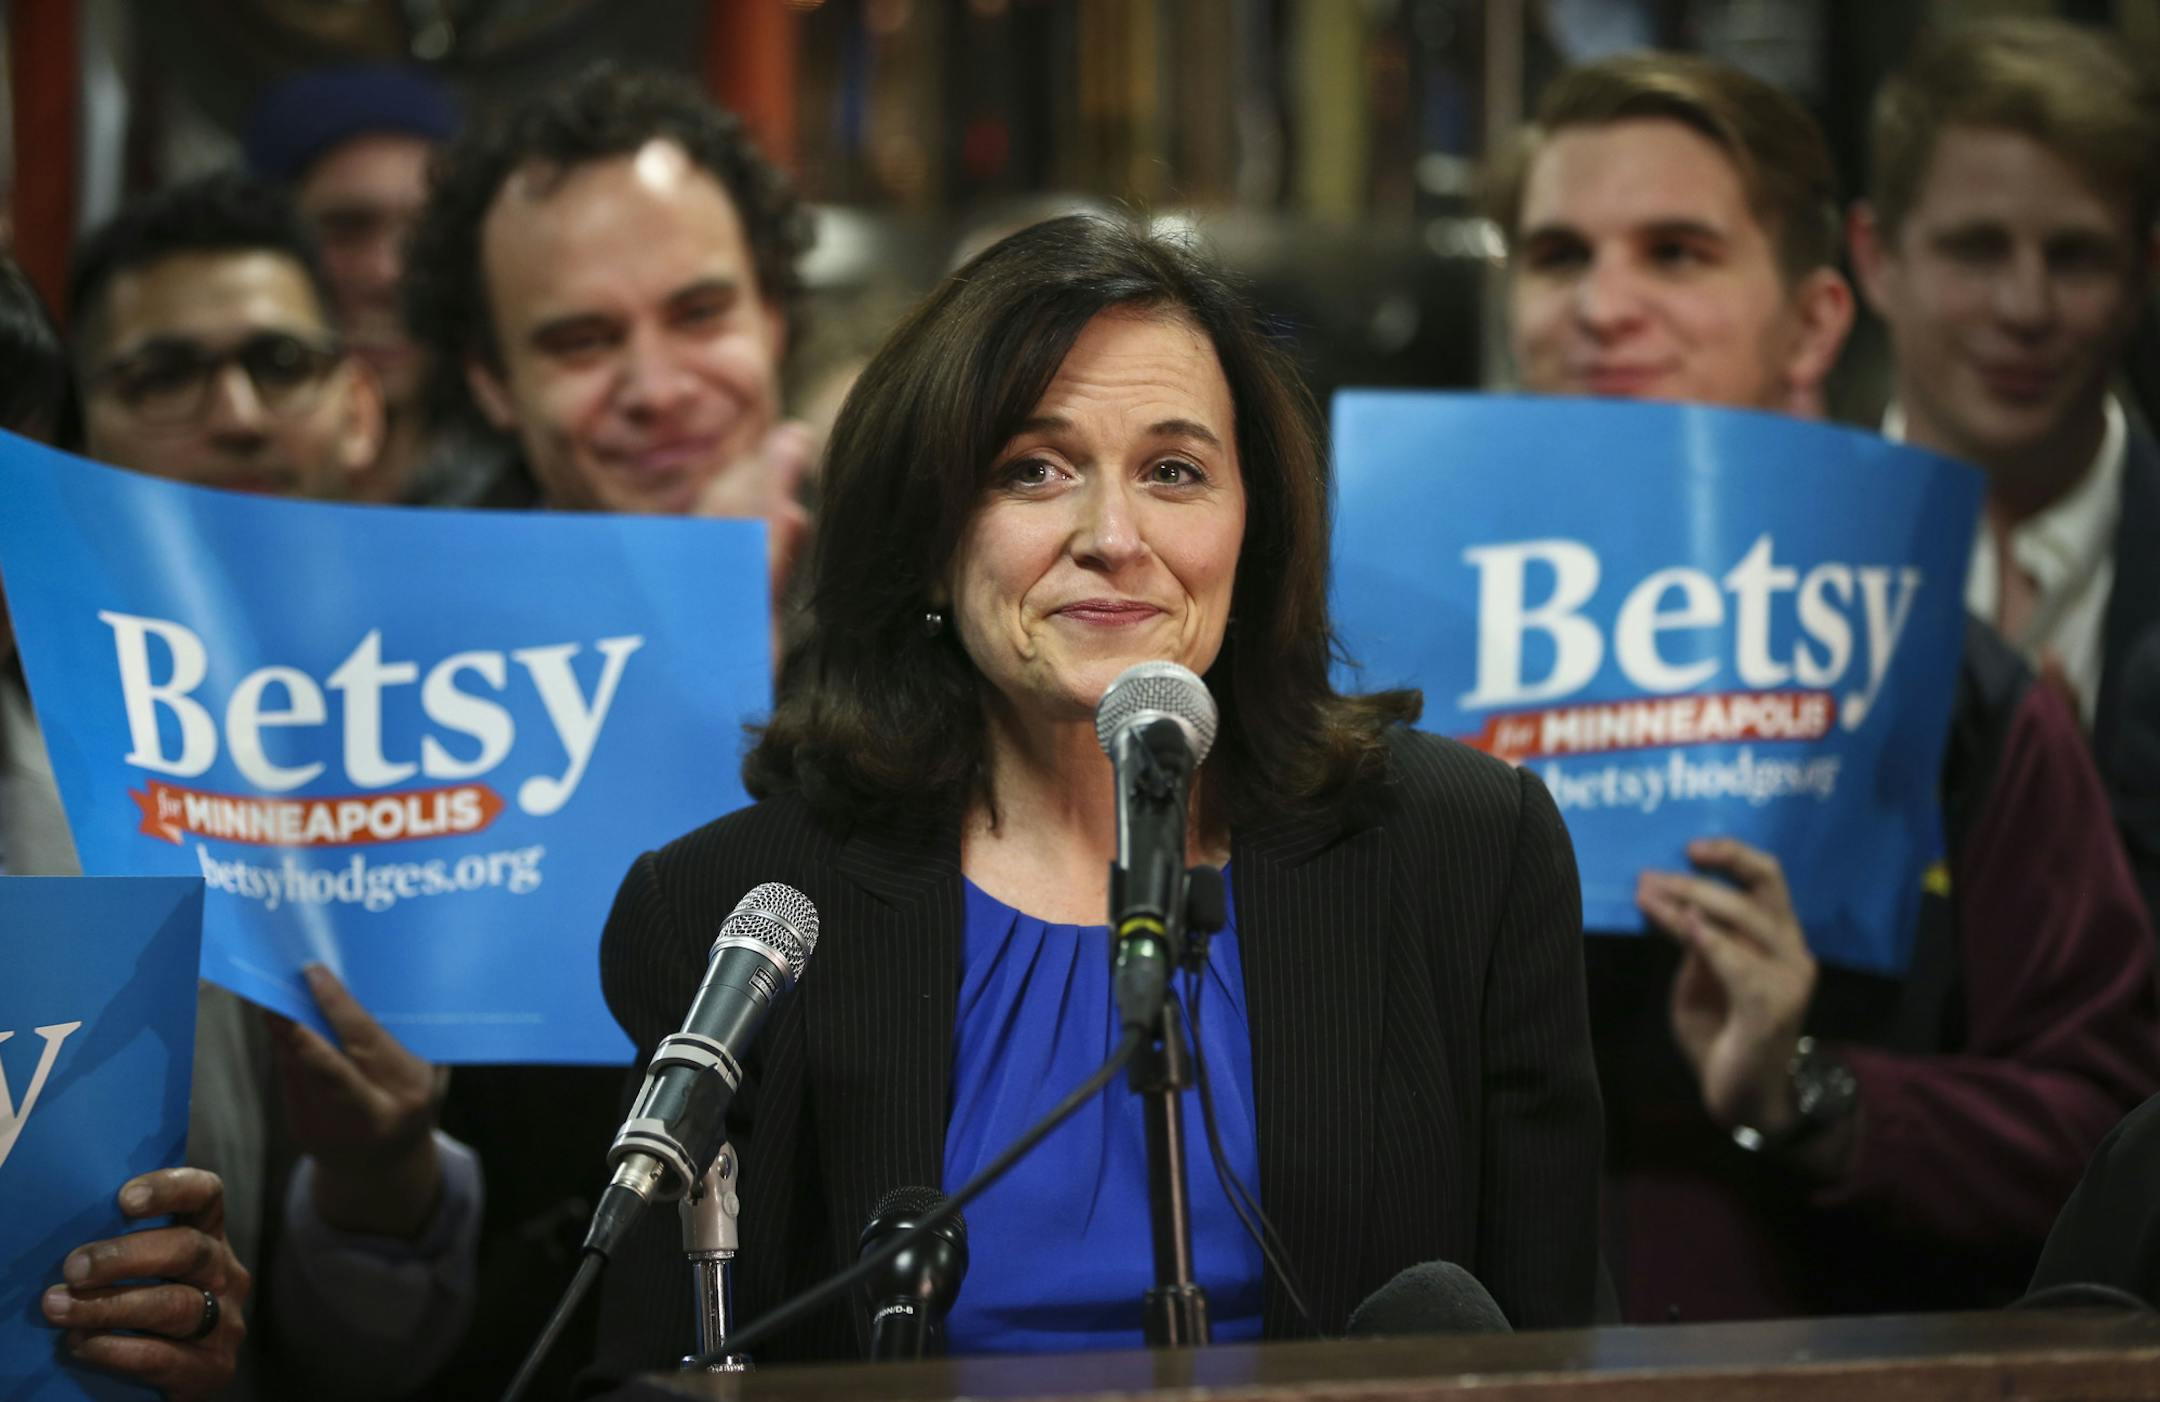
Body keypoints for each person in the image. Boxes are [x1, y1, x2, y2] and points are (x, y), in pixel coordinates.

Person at [588, 214, 1604, 1374]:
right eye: (1034, 469)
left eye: (1174, 471)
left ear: (1252, 527)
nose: (1112, 537)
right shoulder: (732, 906)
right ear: (930, 535)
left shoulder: (1464, 851)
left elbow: (1573, 1350)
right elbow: (651, 1368)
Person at [1487, 50, 2160, 1320]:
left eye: (1676, 252)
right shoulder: (1359, 667)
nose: (1601, 305)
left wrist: (1808, 1092)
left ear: (1816, 320)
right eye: (1559, 254)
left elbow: (2112, 1123)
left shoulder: (1956, 685)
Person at [395, 65, 825, 1394]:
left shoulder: (941, 580)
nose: (656, 384)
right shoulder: (401, 661)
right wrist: (683, 639)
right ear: (490, 381)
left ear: (776, 314)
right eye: (582, 341)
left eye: (700, 312)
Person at [40, 185, 479, 1399]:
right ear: (78, 435)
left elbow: (379, 1364)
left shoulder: (485, 723)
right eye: (164, 374)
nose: (235, 416)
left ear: (357, 403)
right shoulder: (43, 747)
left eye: (278, 362)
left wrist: (381, 1178)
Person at [1848, 17, 2160, 926]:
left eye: (2075, 257)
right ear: (1876, 259)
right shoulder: (1766, 562)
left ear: (2143, 278)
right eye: (1976, 249)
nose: (2025, 308)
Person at [243, 64, 474, 504]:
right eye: (346, 228)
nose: (390, 272)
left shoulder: (531, 496)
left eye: (426, 231)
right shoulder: (214, 486)